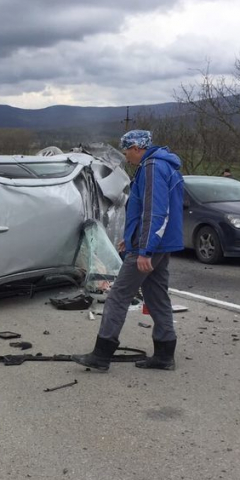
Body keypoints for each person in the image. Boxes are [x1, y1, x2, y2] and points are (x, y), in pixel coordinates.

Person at [72, 130, 184, 372]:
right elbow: (143, 211)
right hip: (157, 245)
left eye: (126, 152)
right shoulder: (160, 164)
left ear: (136, 147)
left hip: (152, 247)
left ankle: (101, 355)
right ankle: (165, 356)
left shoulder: (153, 167)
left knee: (118, 296)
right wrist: (131, 240)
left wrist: (144, 250)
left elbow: (156, 212)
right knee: (157, 297)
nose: (126, 158)